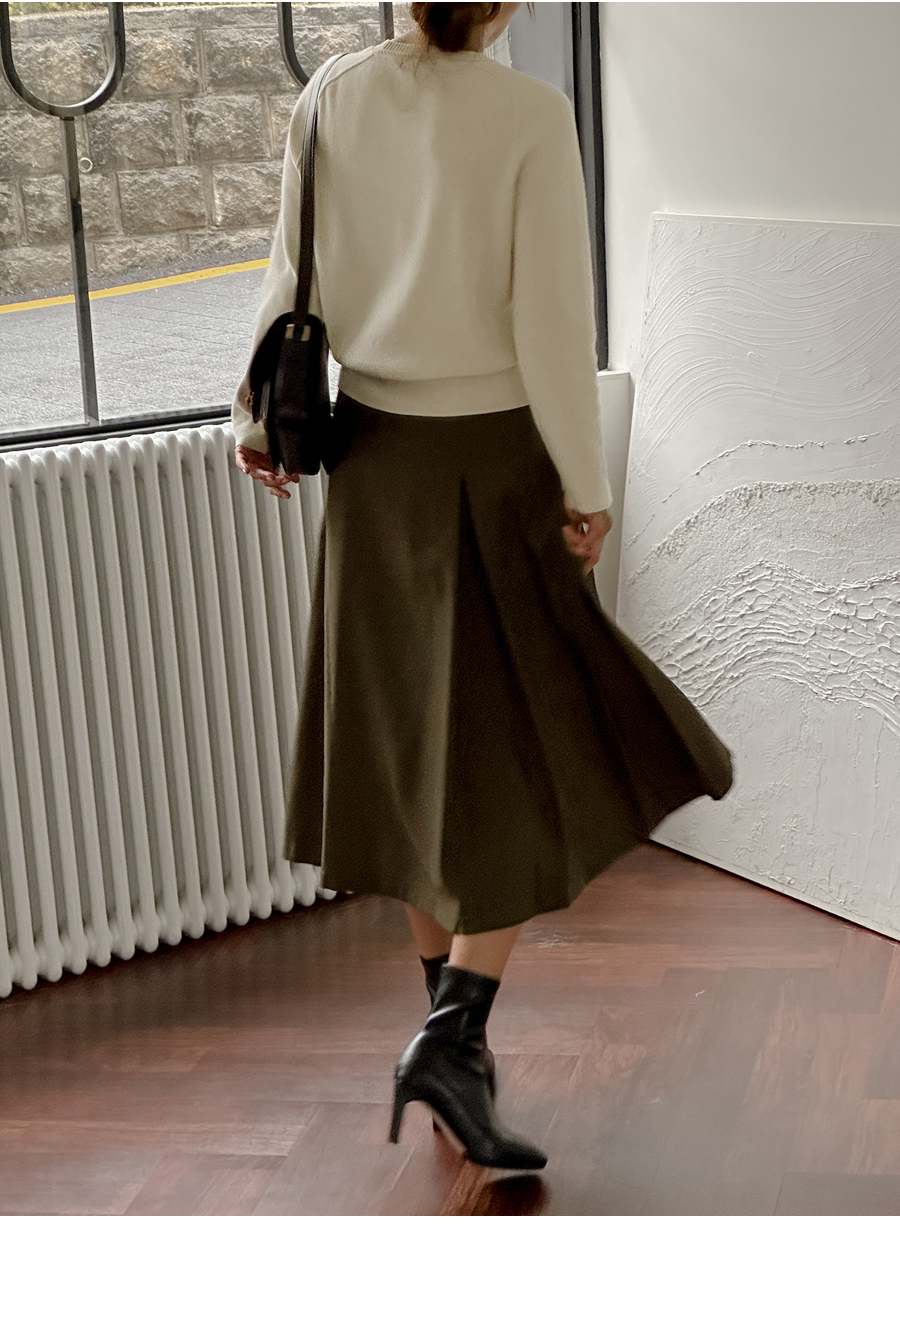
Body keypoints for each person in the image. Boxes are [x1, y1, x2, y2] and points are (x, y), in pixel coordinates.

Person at [233, 2, 733, 1172]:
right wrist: (586, 483)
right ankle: (453, 1041)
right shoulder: (529, 115)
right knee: (533, 743)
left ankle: (449, 1039)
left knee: (414, 752)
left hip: (374, 463)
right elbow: (552, 321)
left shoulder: (334, 95)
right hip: (498, 458)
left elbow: (292, 271)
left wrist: (254, 412)